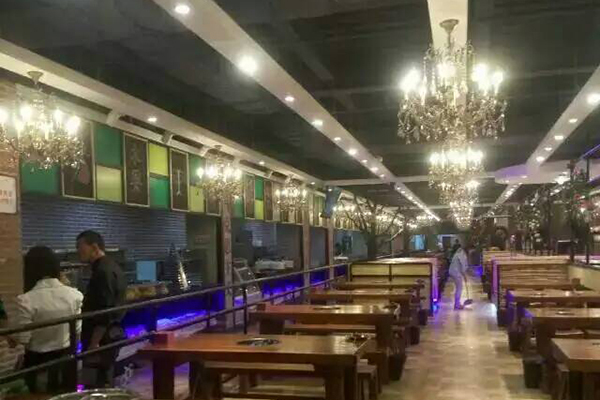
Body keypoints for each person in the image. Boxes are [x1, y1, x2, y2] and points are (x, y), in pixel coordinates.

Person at [12, 246, 83, 393]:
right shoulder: (75, 295)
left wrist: (9, 336)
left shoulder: (26, 300)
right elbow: (77, 332)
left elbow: (24, 339)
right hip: (67, 360)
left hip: (38, 363)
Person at [76, 230, 127, 388]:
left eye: (80, 247)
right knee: (104, 379)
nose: (78, 251)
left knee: (95, 384)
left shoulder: (102, 271)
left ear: (94, 247)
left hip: (102, 339)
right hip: (112, 334)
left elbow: (105, 310)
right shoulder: (112, 266)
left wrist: (94, 343)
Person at [448, 243, 469, 310]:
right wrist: (465, 276)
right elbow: (463, 267)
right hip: (455, 272)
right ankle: (457, 305)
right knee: (459, 288)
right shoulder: (462, 255)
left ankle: (457, 303)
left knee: (458, 287)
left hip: (453, 271)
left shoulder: (459, 253)